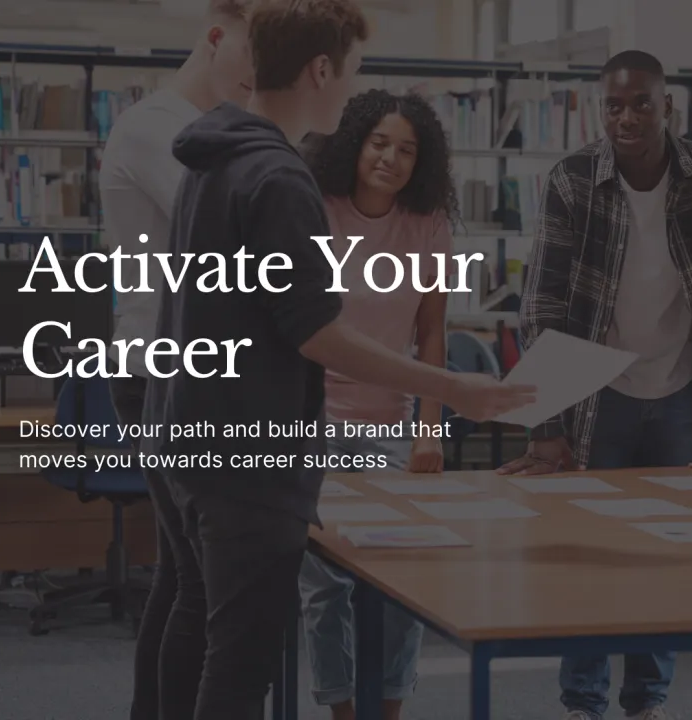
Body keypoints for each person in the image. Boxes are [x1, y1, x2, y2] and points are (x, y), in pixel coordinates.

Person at [140, 1, 535, 717]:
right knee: (237, 663)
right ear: (321, 69)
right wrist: (452, 389)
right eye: (352, 72)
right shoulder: (281, 179)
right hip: (246, 457)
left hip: (186, 437)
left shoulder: (211, 158)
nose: (353, 89)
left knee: (197, 627)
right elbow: (315, 331)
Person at [496, 49, 692, 720]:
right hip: (597, 398)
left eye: (641, 103)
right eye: (614, 105)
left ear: (667, 105)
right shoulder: (571, 180)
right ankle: (582, 703)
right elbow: (543, 306)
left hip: (678, 393)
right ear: (600, 108)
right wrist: (548, 424)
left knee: (660, 559)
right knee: (591, 561)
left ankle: (647, 701)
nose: (627, 117)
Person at [96, 1, 255, 717]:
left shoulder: (208, 131)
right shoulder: (160, 128)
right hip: (161, 373)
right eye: (253, 68)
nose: (259, 86)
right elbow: (231, 227)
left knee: (180, 577)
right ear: (216, 39)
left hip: (186, 373)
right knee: (197, 583)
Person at [296, 89, 458, 720]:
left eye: (407, 150)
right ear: (356, 143)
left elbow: (432, 335)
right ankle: (341, 712)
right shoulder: (315, 209)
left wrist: (430, 427)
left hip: (392, 429)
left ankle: (387, 712)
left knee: (402, 584)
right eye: (380, 142)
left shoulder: (428, 225)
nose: (390, 158)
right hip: (313, 425)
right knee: (325, 589)